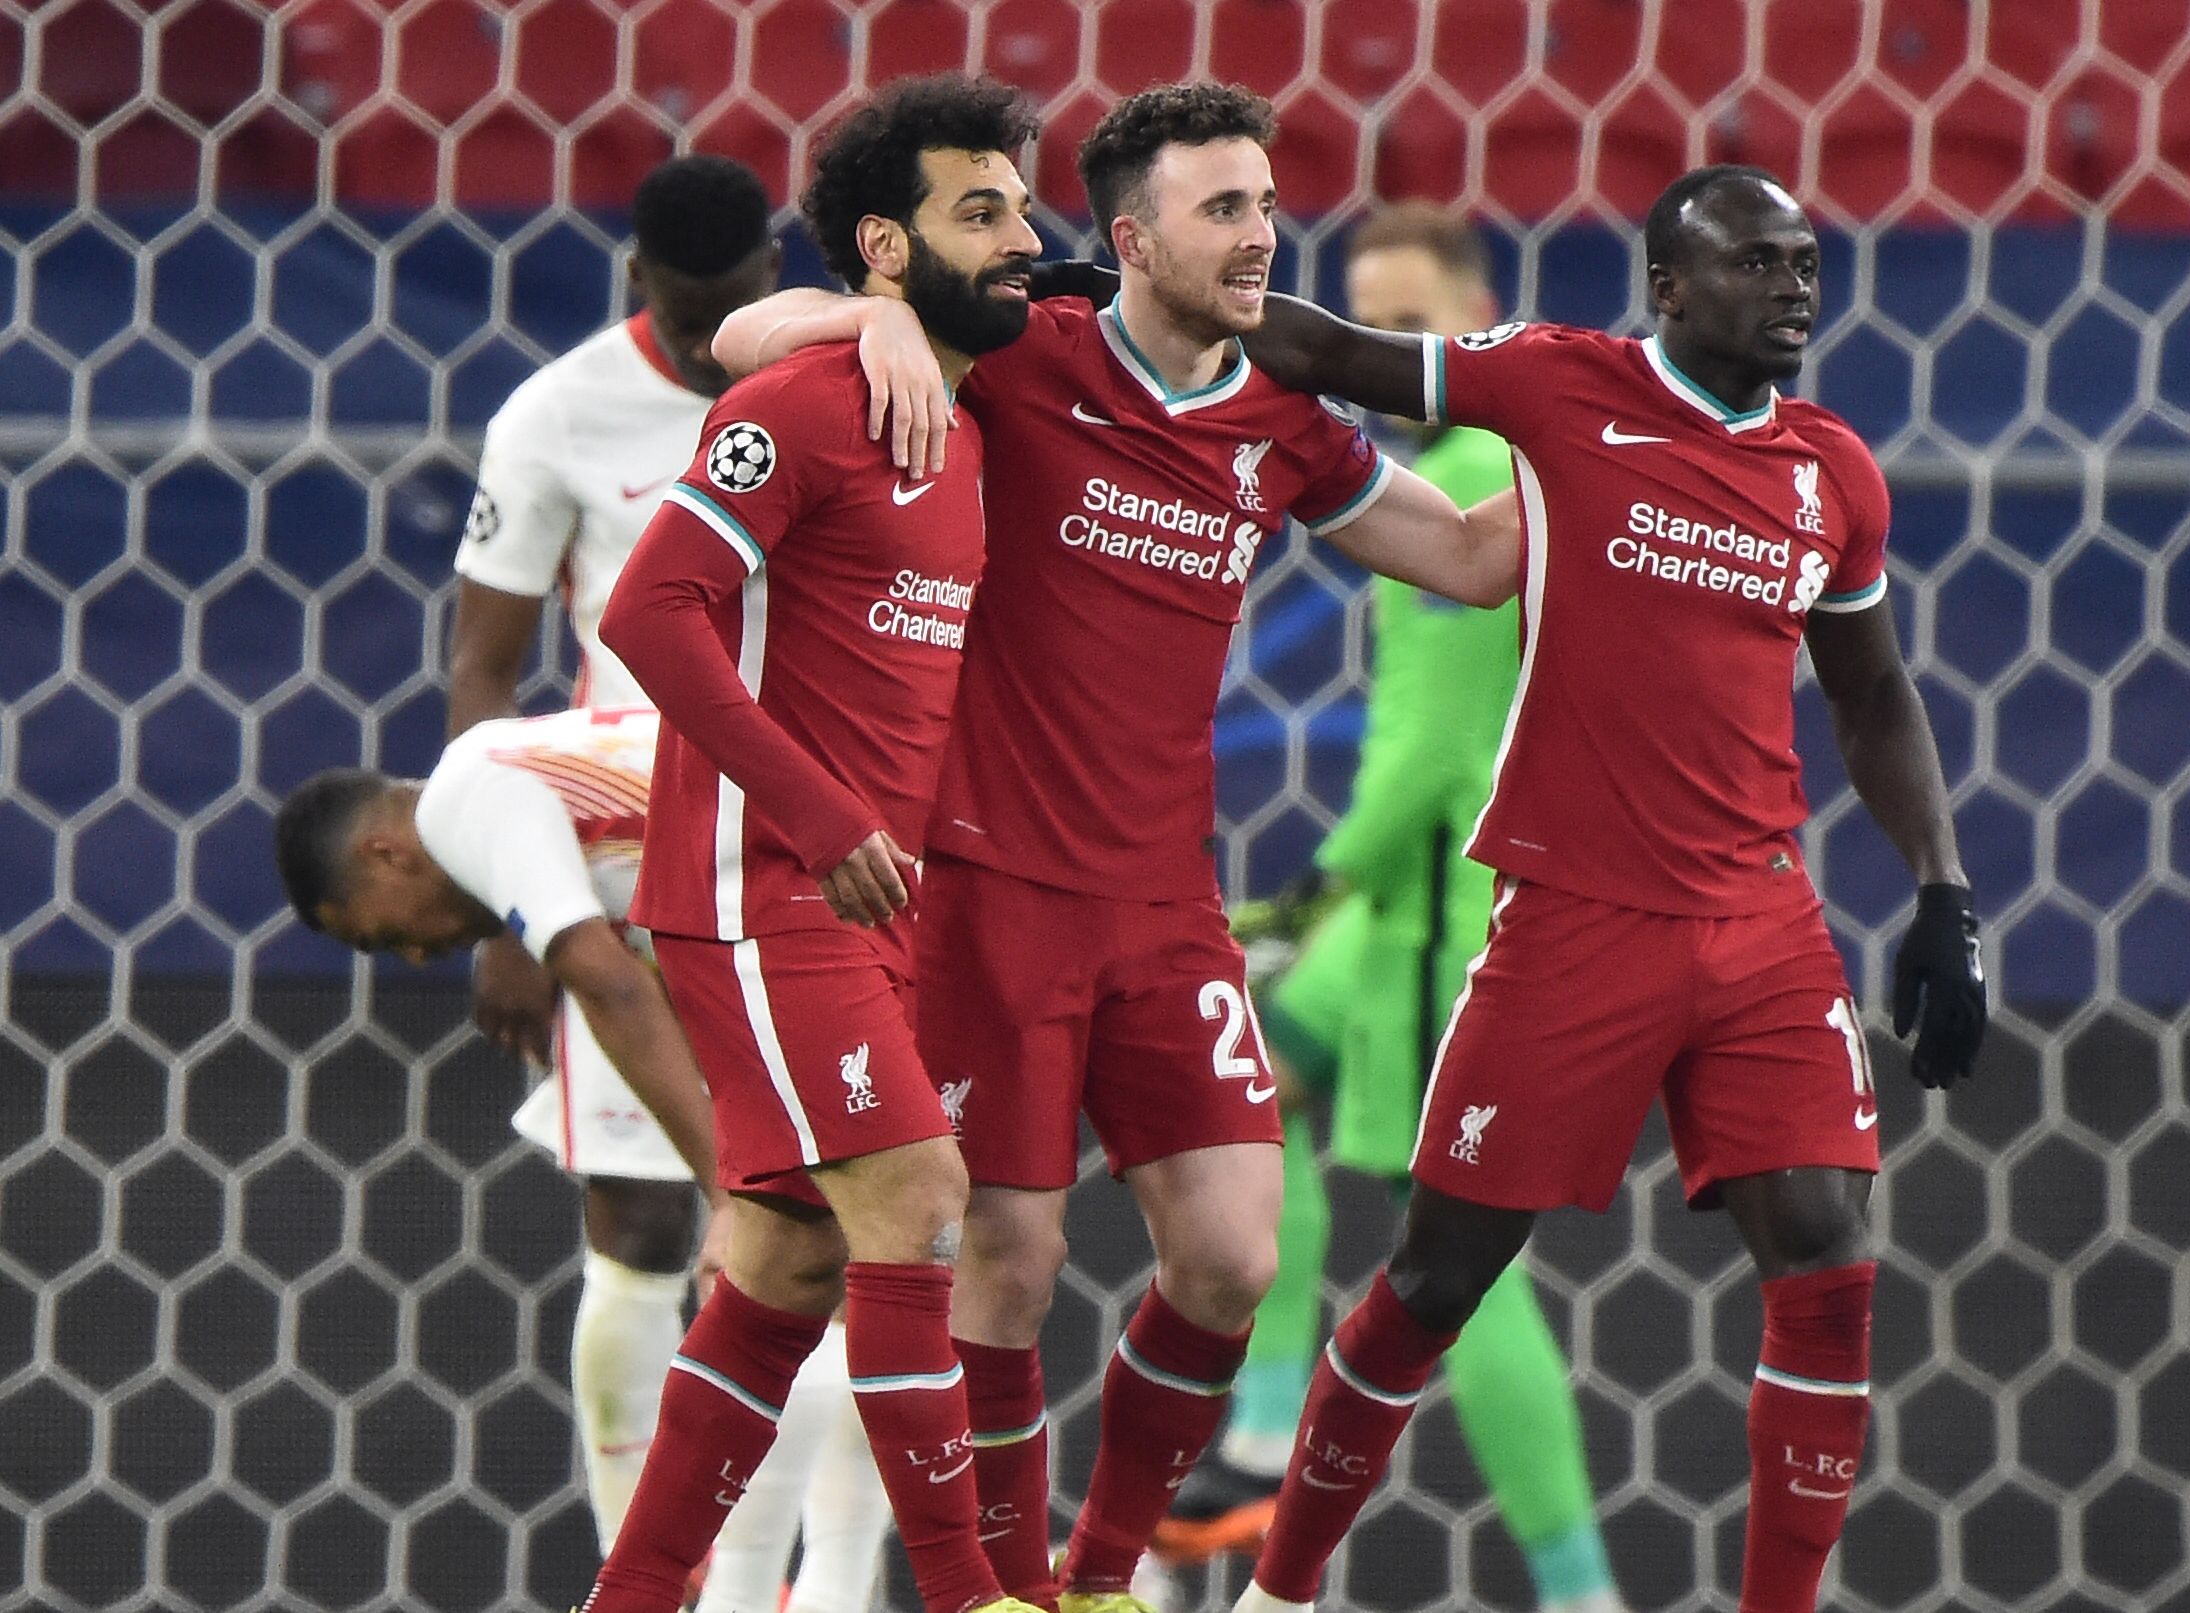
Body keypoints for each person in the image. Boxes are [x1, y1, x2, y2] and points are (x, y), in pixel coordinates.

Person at [711, 82, 1516, 1613]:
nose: (1262, 232)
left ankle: (1098, 1579)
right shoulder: (1021, 351)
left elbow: (1472, 561)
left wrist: (1628, 464)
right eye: (1223, 208)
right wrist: (865, 322)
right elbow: (737, 347)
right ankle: (1010, 1589)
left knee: (1229, 1254)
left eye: (1268, 202)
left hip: (1162, 905)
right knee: (998, 1271)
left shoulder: (1280, 412)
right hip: (984, 889)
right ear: (1130, 238)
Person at [1205, 166, 1993, 1613]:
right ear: (1672, 288)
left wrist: (1941, 892)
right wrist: (1141, 305)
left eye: (1805, 262)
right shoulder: (1560, 391)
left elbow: (1873, 698)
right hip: (1569, 916)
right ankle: (1282, 1585)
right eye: (1757, 264)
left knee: (1824, 1254)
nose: (1794, 288)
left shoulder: (1832, 471)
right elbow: (1322, 354)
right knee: (1438, 1275)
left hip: (1760, 916)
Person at [577, 74, 1049, 1613]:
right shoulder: (806, 405)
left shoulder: (965, 418)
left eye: (1024, 206)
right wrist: (821, 813)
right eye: (979, 212)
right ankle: (972, 1592)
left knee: (783, 1263)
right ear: (885, 246)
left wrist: (889, 312)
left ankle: (633, 1595)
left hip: (867, 904)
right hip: (762, 886)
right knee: (919, 1195)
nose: (1020, 237)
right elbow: (648, 610)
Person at [1154, 202, 1620, 1613]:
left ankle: (1575, 1585)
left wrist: (1305, 891)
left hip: (1451, 916)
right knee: (1258, 1074)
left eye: (1416, 326)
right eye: (1368, 326)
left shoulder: (1473, 465)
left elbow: (1421, 760)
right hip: (1455, 900)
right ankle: (1259, 1418)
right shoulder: (1503, 458)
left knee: (1452, 1266)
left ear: (1478, 315)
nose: (1386, 355)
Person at [441, 155, 883, 1613]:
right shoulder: (555, 416)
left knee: (856, 1226)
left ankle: (829, 1581)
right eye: (684, 320)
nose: (709, 350)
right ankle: (652, 1567)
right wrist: (511, 895)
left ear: (779, 270)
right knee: (647, 1228)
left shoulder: (863, 374)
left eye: (735, 309)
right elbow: (486, 672)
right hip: (642, 863)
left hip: (847, 853)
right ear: (640, 284)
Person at [270, 709, 890, 1613]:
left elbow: (607, 981)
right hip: (840, 878)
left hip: (858, 862)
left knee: (807, 1262)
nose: (408, 954)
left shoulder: (468, 794)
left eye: (373, 934)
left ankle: (772, 1594)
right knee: (855, 1261)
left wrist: (733, 1191)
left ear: (382, 853)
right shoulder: (579, 833)